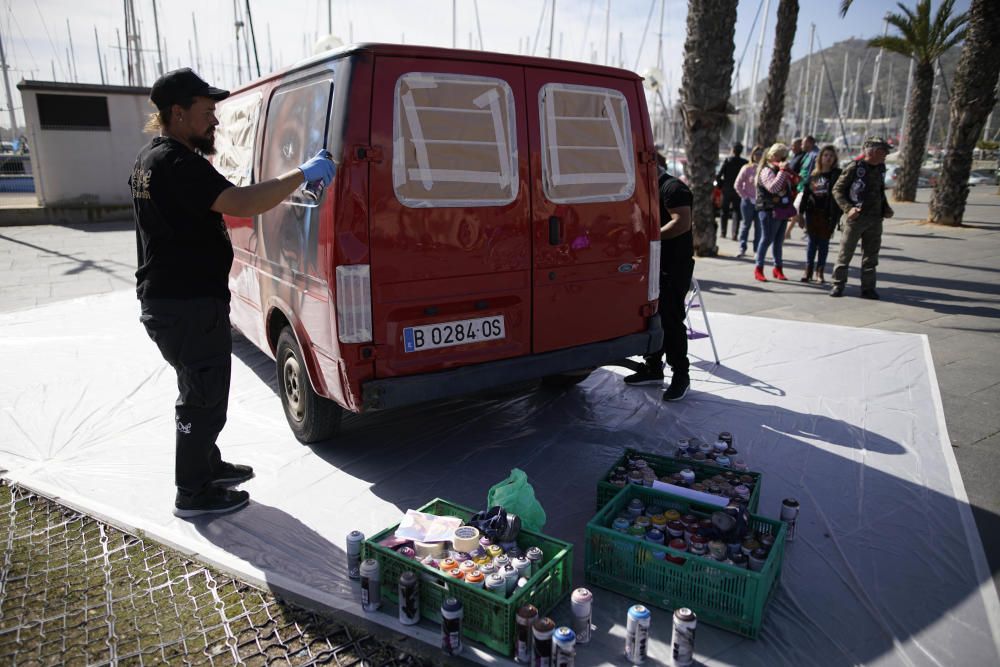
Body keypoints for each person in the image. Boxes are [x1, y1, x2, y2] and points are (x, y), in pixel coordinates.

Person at [130, 68, 335, 517]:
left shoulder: (149, 160)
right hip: (185, 304)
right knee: (202, 399)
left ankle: (207, 464)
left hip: (174, 300)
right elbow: (241, 203)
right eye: (206, 114)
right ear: (178, 114)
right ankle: (193, 492)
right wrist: (303, 173)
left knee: (203, 389)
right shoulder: (179, 164)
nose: (215, 122)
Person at [624, 152, 695, 402]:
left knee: (671, 319)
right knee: (651, 316)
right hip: (652, 265)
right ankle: (653, 367)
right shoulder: (648, 189)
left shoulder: (673, 188)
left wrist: (648, 238)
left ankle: (681, 375)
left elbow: (681, 222)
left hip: (673, 266)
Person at [830, 136, 894, 299]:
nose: (886, 154)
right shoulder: (855, 167)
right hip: (855, 219)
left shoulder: (881, 168)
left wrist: (886, 208)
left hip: (875, 219)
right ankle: (838, 285)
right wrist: (848, 208)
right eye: (882, 150)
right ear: (871, 151)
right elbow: (837, 190)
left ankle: (868, 288)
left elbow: (880, 191)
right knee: (845, 254)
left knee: (871, 257)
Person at [753, 143, 798, 282]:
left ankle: (778, 268)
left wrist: (790, 174)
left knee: (779, 241)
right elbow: (773, 188)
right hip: (769, 210)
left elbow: (794, 184)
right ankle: (758, 268)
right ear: (771, 155)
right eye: (778, 155)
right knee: (766, 239)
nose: (781, 158)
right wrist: (783, 172)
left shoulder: (779, 169)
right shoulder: (766, 170)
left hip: (782, 209)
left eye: (784, 156)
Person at [798, 145, 842, 283]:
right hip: (812, 214)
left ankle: (820, 272)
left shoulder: (837, 175)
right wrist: (800, 214)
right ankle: (808, 270)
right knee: (811, 243)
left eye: (831, 156)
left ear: (834, 159)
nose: (828, 158)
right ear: (820, 158)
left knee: (823, 244)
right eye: (825, 155)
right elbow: (805, 195)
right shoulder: (813, 175)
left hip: (827, 215)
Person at [734, 144, 763, 258]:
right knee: (746, 225)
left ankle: (757, 250)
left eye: (761, 154)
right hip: (748, 202)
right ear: (753, 155)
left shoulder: (765, 169)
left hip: (760, 203)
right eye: (756, 154)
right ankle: (742, 248)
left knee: (759, 227)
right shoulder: (747, 168)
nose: (758, 156)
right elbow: (737, 184)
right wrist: (745, 197)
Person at [715, 143, 747, 240]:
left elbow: (718, 175)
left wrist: (721, 185)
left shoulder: (727, 161)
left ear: (733, 150)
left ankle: (723, 232)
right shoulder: (744, 162)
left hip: (727, 189)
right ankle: (734, 234)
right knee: (737, 212)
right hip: (738, 190)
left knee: (724, 211)